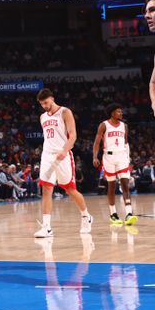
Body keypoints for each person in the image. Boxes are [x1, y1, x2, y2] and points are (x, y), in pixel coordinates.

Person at [34, 89, 93, 238]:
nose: (44, 106)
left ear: (52, 98)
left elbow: (73, 135)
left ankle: (86, 216)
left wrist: (65, 150)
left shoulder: (65, 112)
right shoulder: (42, 117)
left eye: (46, 102)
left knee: (70, 190)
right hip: (47, 155)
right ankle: (47, 227)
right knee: (46, 189)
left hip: (64, 154)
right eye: (42, 104)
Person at [93, 103, 137, 226]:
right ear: (112, 113)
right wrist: (95, 156)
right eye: (118, 111)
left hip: (122, 156)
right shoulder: (104, 125)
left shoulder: (124, 126)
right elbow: (97, 143)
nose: (121, 113)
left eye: (121, 111)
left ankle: (129, 213)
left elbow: (126, 143)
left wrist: (128, 158)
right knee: (111, 186)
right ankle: (113, 214)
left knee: (125, 184)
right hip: (108, 157)